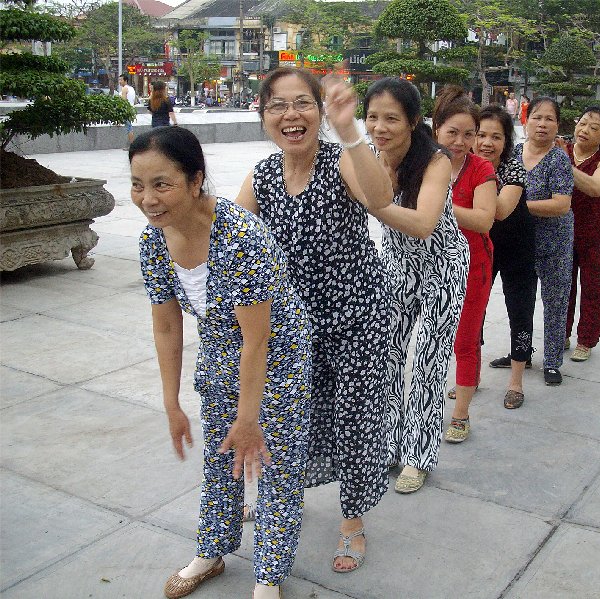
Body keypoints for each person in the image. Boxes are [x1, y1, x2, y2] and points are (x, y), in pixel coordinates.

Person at [131, 126, 312, 599]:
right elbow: (167, 326)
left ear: (196, 181)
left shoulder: (239, 237)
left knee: (273, 463)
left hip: (278, 354)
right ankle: (212, 550)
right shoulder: (154, 242)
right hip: (219, 353)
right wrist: (171, 403)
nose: (148, 199)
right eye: (138, 185)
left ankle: (269, 577)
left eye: (161, 184)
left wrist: (249, 417)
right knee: (221, 459)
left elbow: (259, 340)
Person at [236, 67, 395, 573]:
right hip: (296, 324)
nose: (291, 115)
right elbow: (229, 236)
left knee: (353, 421)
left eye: (302, 103)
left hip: (357, 318)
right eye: (278, 106)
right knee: (293, 419)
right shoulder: (261, 175)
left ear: (320, 111)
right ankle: (289, 499)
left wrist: (350, 130)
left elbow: (379, 198)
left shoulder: (339, 160)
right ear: (263, 117)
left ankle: (352, 522)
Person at [364, 77, 468, 493]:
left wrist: (377, 202)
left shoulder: (435, 160)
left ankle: (419, 455)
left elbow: (424, 223)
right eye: (372, 117)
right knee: (387, 354)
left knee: (427, 358)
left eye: (391, 118)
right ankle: (389, 443)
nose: (380, 127)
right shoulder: (371, 154)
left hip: (443, 265)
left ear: (413, 121)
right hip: (397, 265)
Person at [432, 86, 497, 443]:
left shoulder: (481, 168)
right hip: (429, 266)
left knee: (466, 340)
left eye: (468, 134)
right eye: (452, 132)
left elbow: (485, 219)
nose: (460, 141)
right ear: (437, 128)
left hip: (473, 265)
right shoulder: (424, 162)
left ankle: (460, 415)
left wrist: (435, 208)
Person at [474, 105, 533, 409]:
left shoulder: (513, 167)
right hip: (480, 248)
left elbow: (499, 210)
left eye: (495, 136)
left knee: (519, 308)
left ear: (506, 141)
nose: (486, 142)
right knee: (475, 311)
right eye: (481, 134)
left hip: (516, 246)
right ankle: (472, 376)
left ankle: (516, 382)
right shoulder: (461, 165)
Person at [513, 97, 574, 386]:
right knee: (521, 304)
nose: (542, 124)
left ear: (557, 125)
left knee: (555, 300)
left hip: (555, 242)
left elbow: (561, 205)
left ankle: (552, 361)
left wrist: (515, 205)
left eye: (549, 119)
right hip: (520, 242)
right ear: (526, 121)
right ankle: (520, 354)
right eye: (537, 117)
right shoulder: (512, 153)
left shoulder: (559, 158)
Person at [557, 107, 600, 363]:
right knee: (563, 285)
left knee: (593, 285)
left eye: (594, 128)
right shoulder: (563, 150)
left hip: (594, 230)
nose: (584, 130)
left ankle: (587, 338)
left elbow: (595, 187)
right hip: (562, 227)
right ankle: (562, 333)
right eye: (582, 124)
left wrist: (563, 163)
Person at [119, 74, 136, 149]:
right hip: (131, 109)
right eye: (119, 80)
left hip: (126, 110)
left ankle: (132, 145)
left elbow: (123, 101)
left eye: (121, 80)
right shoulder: (131, 88)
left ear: (125, 80)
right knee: (129, 127)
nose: (119, 82)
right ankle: (131, 145)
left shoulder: (124, 89)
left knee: (129, 128)